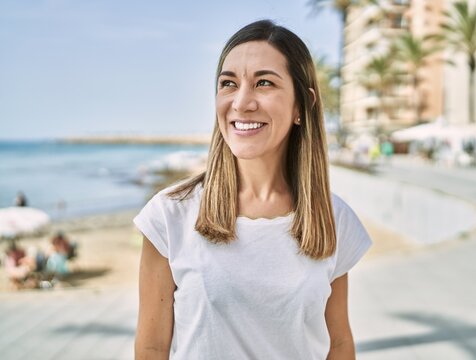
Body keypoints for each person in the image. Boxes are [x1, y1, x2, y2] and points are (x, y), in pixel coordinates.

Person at [134, 20, 372, 360]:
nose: (242, 102)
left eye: (264, 83)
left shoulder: (333, 219)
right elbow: (152, 347)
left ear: (301, 107)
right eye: (228, 84)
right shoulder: (169, 215)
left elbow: (339, 344)